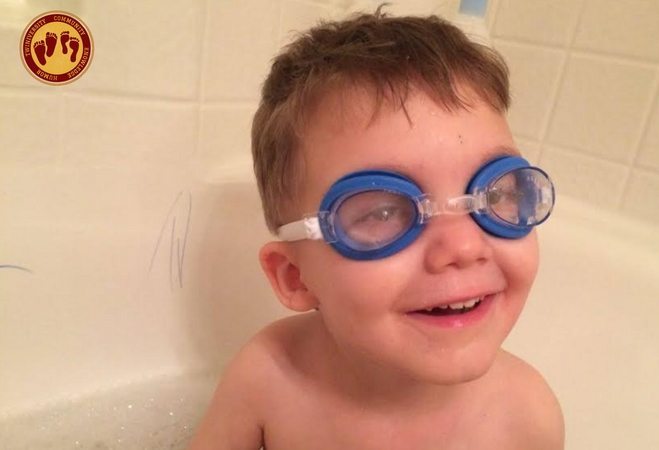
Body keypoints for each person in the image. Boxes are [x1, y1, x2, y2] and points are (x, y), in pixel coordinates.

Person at [189, 7, 564, 450]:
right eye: (384, 211)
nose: (464, 245)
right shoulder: (267, 379)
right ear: (295, 277)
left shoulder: (525, 417)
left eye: (497, 193)